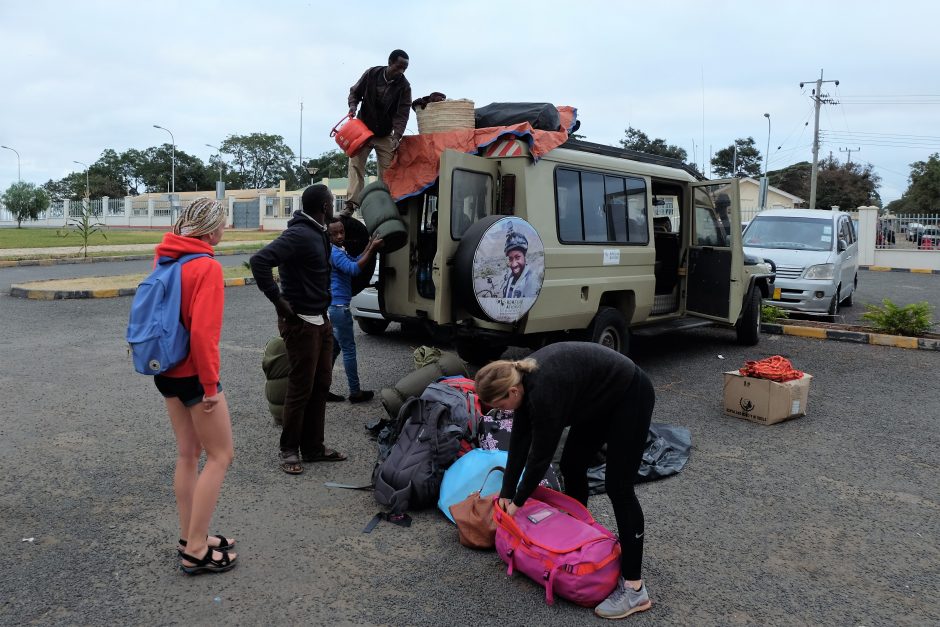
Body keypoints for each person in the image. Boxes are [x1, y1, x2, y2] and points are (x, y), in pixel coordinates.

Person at [475, 342, 656, 619]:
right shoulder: (521, 382)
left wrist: (518, 502)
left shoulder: (544, 392)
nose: (503, 411)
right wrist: (506, 493)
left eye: (501, 405)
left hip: (630, 395)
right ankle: (580, 544)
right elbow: (520, 441)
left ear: (512, 392)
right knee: (572, 465)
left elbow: (539, 457)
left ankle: (634, 589)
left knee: (618, 486)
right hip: (597, 400)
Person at [154, 198, 237, 575]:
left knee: (188, 454)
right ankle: (197, 549)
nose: (226, 229)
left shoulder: (166, 258)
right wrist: (210, 388)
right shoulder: (206, 267)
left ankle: (190, 536)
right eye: (223, 223)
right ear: (211, 229)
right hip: (193, 375)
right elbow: (204, 336)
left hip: (165, 369)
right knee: (220, 456)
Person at [250, 184, 347, 475]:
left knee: (321, 385)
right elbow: (260, 261)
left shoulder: (318, 231)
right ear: (326, 206)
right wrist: (279, 301)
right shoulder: (299, 234)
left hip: (321, 319)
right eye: (332, 203)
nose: (334, 207)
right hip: (301, 323)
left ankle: (314, 448)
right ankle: (290, 449)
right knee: (300, 388)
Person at [345, 49, 412, 214]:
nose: (401, 71)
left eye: (404, 68)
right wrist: (353, 107)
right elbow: (355, 92)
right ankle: (351, 205)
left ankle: (384, 205)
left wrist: (397, 136)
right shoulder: (372, 74)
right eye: (398, 67)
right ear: (390, 63)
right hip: (363, 129)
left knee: (388, 169)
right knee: (355, 164)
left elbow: (402, 114)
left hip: (384, 133)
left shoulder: (404, 86)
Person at [326, 217, 383, 403]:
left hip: (335, 308)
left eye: (342, 232)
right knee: (349, 350)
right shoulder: (335, 253)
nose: (340, 236)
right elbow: (354, 269)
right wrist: (373, 249)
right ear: (328, 235)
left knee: (333, 350)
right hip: (340, 309)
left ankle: (322, 388)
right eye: (334, 233)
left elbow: (356, 259)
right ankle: (355, 391)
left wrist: (368, 245)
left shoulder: (338, 250)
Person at [500, 229, 539, 299]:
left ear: (524, 256)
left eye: (517, 257)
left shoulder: (531, 280)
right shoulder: (511, 276)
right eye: (510, 259)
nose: (514, 264)